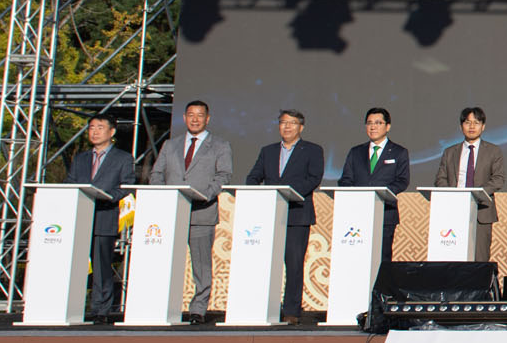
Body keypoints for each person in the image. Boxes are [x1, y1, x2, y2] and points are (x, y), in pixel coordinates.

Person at [147, 99, 233, 323]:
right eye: (191, 115)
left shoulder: (220, 145)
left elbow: (224, 175)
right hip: (171, 214)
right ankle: (162, 306)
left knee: (201, 265)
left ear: (207, 118)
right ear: (184, 118)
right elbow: (157, 174)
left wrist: (206, 194)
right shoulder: (170, 145)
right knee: (165, 262)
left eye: (200, 115)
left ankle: (198, 310)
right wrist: (162, 195)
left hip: (201, 212)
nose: (195, 119)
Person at [244, 109, 325, 324]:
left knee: (294, 265)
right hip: (268, 216)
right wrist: (256, 192)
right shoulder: (268, 151)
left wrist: (287, 192)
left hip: (297, 215)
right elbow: (253, 177)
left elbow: (314, 178)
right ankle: (262, 306)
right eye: (283, 122)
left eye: (292, 123)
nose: (287, 127)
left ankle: (291, 311)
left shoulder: (313, 150)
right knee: (264, 264)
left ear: (301, 127)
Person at [68, 114, 129, 323]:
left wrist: (108, 196)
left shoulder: (122, 158)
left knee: (101, 267)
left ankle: (101, 309)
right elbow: (70, 183)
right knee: (75, 265)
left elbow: (126, 185)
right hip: (79, 218)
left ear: (112, 132)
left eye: (100, 127)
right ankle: (74, 307)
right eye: (92, 127)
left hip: (104, 216)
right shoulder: (81, 159)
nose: (94, 132)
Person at [337, 106, 410, 264]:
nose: (373, 127)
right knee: (357, 258)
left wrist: (380, 194)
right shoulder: (356, 152)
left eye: (378, 123)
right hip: (357, 213)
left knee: (382, 258)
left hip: (385, 213)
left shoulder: (399, 152)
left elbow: (402, 180)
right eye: (369, 123)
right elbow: (345, 180)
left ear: (387, 126)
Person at [433, 107, 507, 260]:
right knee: (453, 258)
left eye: (476, 122)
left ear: (483, 126)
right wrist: (453, 196)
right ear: (461, 126)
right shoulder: (450, 152)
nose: (472, 126)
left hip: (481, 211)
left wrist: (476, 194)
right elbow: (440, 179)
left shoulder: (493, 151)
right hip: (454, 209)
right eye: (467, 122)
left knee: (480, 258)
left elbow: (498, 179)